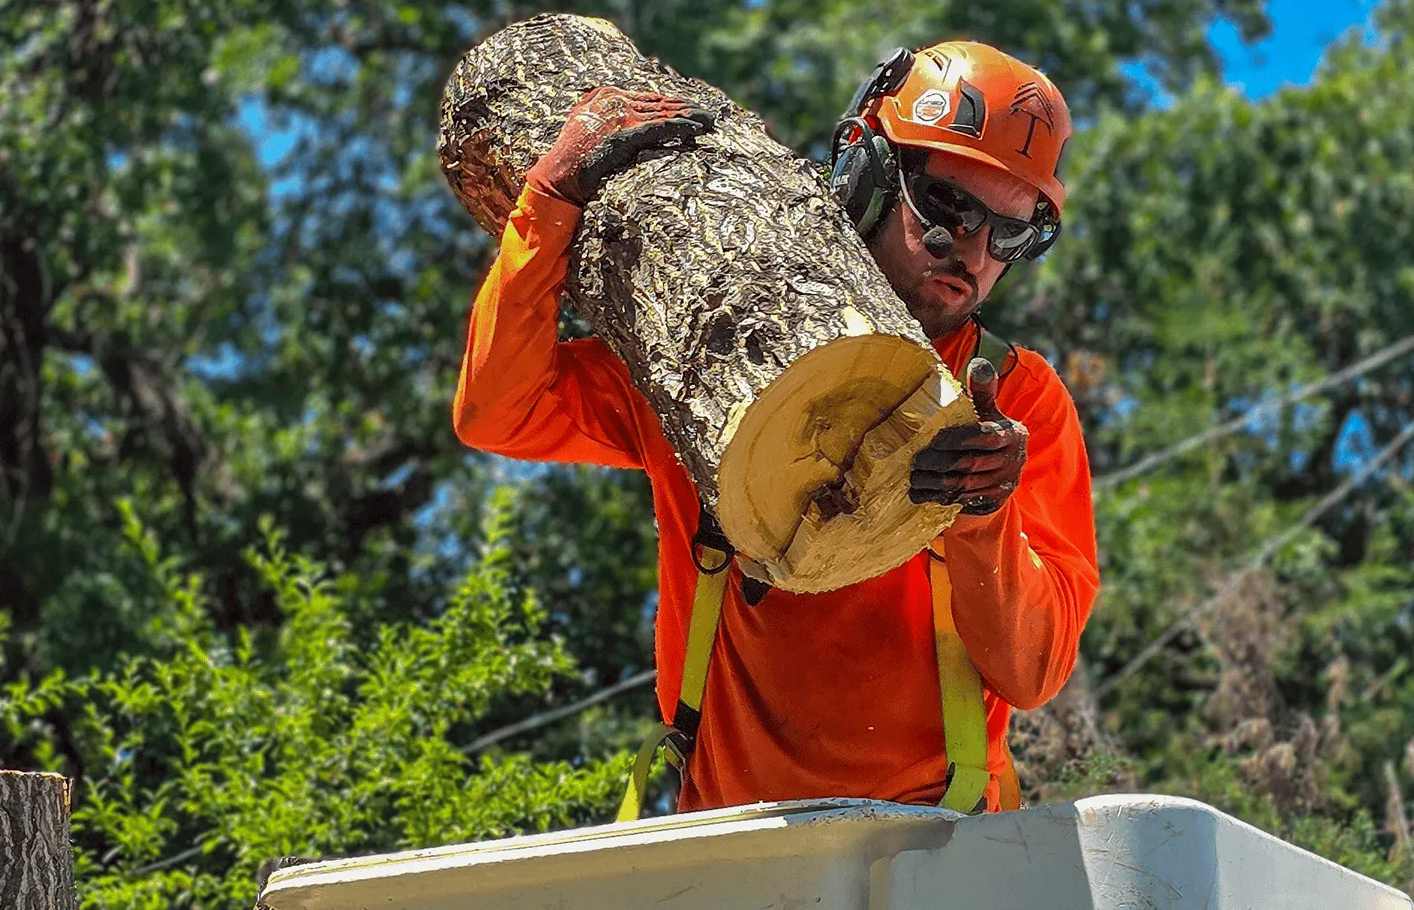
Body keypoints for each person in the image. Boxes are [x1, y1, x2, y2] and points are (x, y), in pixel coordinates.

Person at [451, 41, 1100, 816]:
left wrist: (979, 515)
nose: (971, 250)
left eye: (1011, 233)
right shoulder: (708, 350)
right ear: (863, 171)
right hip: (722, 847)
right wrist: (549, 202)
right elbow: (499, 411)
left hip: (938, 847)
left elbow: (1034, 670)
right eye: (948, 205)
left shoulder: (1020, 401)